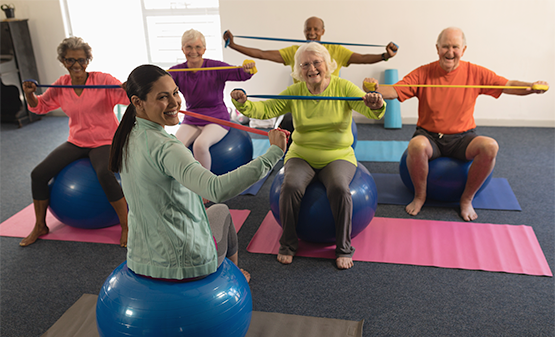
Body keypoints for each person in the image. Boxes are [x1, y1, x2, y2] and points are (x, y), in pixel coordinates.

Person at [109, 64, 287, 281]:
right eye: (163, 97)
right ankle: (231, 280)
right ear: (138, 102)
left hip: (141, 257)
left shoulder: (127, 134)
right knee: (221, 211)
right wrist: (273, 154)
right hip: (182, 261)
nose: (175, 102)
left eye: (176, 92)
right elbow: (216, 189)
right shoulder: (168, 147)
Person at [365, 27, 549, 221]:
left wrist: (531, 88)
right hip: (429, 136)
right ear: (437, 48)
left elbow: (507, 85)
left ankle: (467, 199)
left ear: (464, 49)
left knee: (490, 146)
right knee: (415, 145)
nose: (450, 52)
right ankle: (420, 195)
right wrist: (375, 89)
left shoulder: (475, 73)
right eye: (445, 46)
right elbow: (394, 90)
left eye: (455, 47)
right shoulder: (423, 73)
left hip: (463, 138)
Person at [231, 42, 386, 270]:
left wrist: (376, 103)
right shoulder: (295, 91)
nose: (311, 68)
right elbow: (266, 110)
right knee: (291, 186)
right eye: (305, 64)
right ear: (298, 70)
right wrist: (242, 103)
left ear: (328, 65)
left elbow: (368, 109)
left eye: (316, 62)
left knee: (340, 189)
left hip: (338, 154)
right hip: (302, 153)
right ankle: (288, 244)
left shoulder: (343, 87)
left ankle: (343, 248)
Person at [20, 37, 129, 247]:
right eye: (70, 60)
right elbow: (41, 105)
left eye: (81, 60)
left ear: (88, 60)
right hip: (77, 141)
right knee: (38, 174)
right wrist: (29, 95)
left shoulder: (103, 80)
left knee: (105, 174)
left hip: (104, 140)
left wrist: (128, 88)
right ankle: (40, 225)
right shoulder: (62, 85)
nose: (76, 65)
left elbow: (126, 98)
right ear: (63, 61)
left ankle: (126, 226)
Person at [224, 16, 397, 137]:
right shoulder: (296, 52)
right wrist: (233, 45)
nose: (312, 32)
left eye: (316, 29)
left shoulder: (336, 50)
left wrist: (384, 56)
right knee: (284, 131)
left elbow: (362, 58)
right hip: (301, 107)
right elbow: (262, 54)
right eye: (308, 29)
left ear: (323, 31)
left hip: (332, 107)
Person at [169, 29, 256, 174]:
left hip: (216, 117)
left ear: (204, 49)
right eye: (188, 47)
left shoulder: (214, 67)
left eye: (197, 47)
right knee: (175, 146)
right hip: (192, 117)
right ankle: (182, 183)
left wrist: (247, 69)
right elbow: (160, 83)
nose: (193, 51)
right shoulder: (177, 71)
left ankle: (205, 189)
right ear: (182, 49)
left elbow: (239, 73)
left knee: (200, 145)